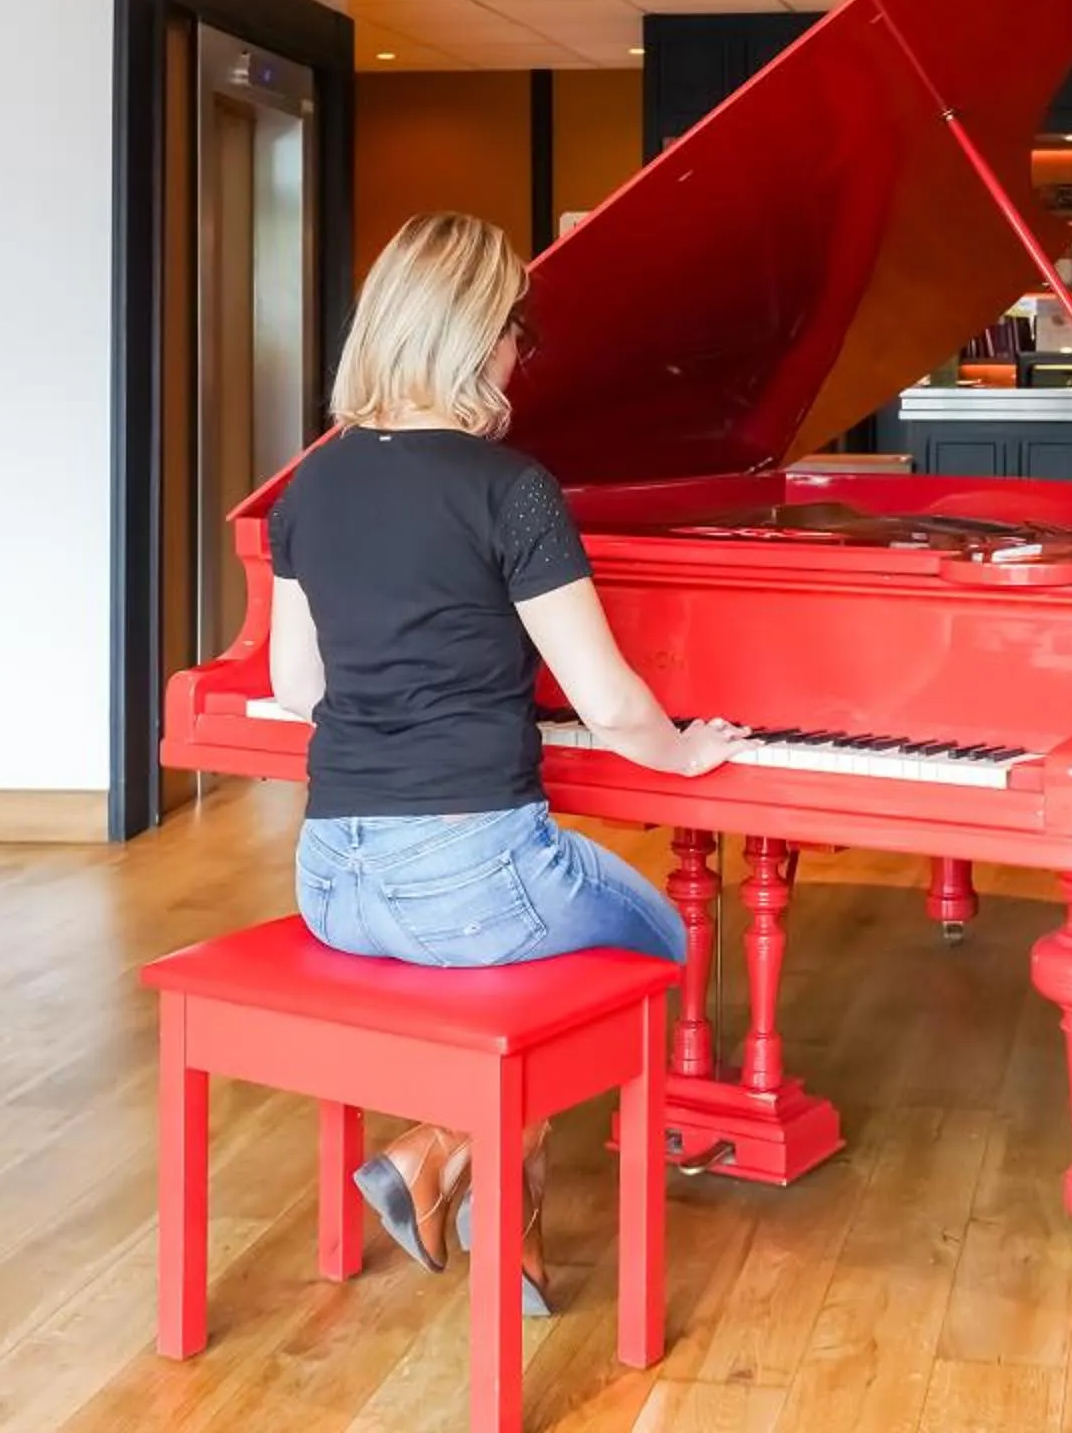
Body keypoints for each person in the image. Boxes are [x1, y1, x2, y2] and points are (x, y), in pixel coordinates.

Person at [263, 210, 747, 1317]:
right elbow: (610, 700)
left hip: (332, 878)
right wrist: (686, 753)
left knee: (539, 967)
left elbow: (301, 689)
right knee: (665, 937)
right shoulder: (509, 486)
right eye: (516, 326)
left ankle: (504, 1218)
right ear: (477, 334)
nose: (523, 350)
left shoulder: (310, 487)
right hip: (467, 880)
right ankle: (438, 1151)